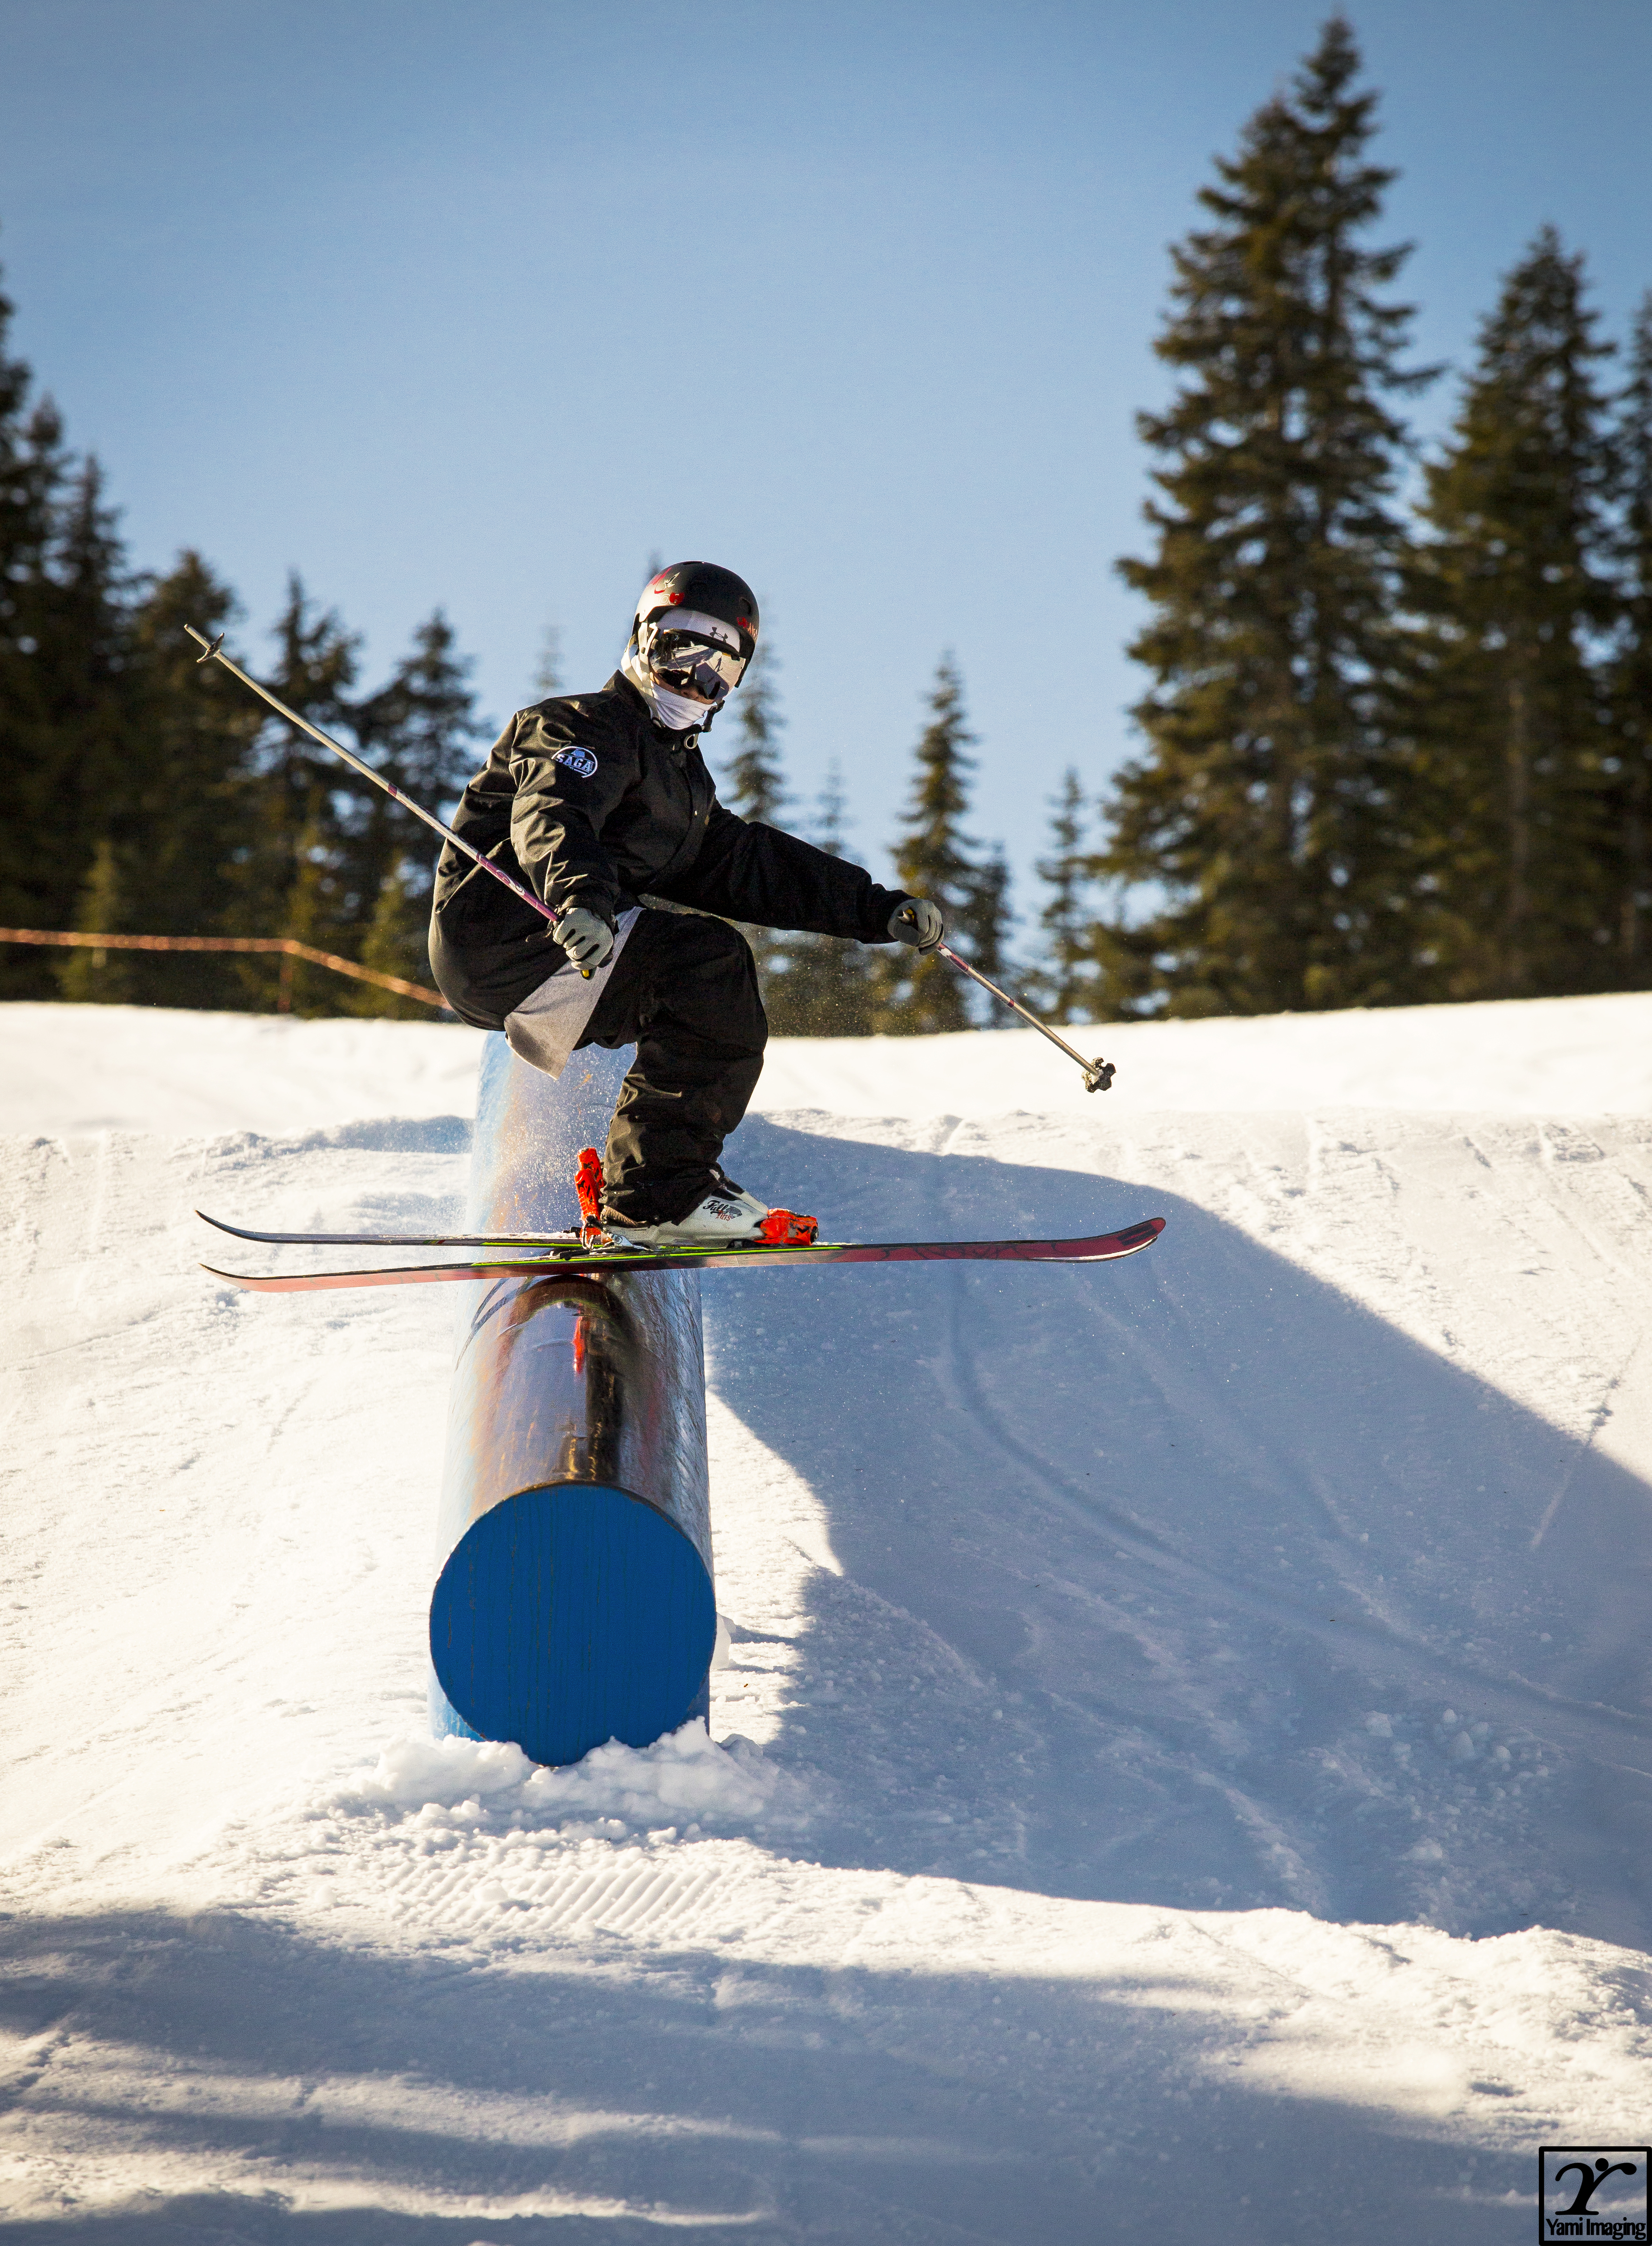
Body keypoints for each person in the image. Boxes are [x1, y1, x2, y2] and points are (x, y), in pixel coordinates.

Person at [429, 561, 944, 1245]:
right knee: (707, 963)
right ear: (642, 641)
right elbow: (554, 812)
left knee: (710, 970)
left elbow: (748, 864)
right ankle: (653, 1194)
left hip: (558, 946)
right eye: (678, 650)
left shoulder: (678, 781)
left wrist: (874, 909)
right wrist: (578, 899)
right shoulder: (584, 727)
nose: (693, 678)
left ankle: (651, 1187)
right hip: (512, 931)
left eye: (717, 669)